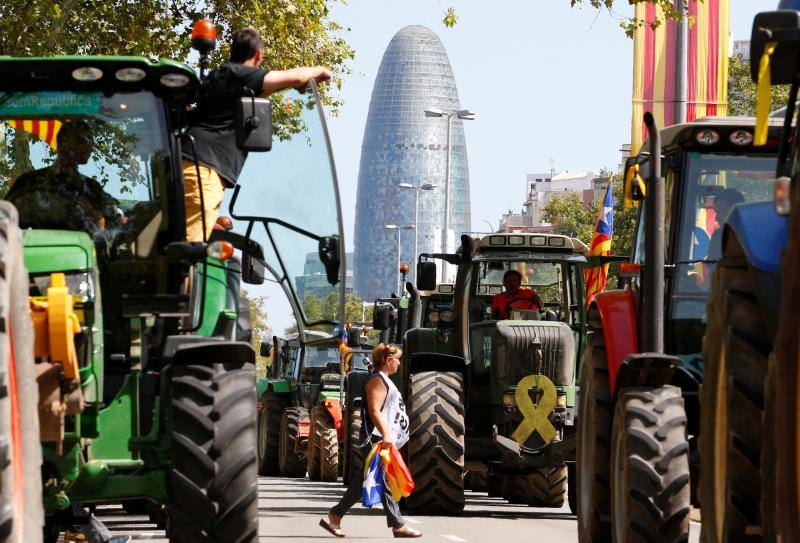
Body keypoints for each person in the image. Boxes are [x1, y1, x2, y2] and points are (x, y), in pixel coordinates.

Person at [183, 27, 333, 242]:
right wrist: (320, 70)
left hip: (189, 166)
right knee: (187, 254)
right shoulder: (241, 76)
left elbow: (264, 89)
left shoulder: (219, 77)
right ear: (259, 55)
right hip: (203, 173)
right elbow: (295, 76)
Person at [320, 343, 422, 539]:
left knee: (364, 481)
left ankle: (335, 514)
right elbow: (374, 411)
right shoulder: (376, 380)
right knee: (382, 479)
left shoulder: (384, 380)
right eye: (397, 359)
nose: (399, 363)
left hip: (381, 437)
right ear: (387, 360)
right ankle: (398, 524)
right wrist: (385, 435)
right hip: (375, 437)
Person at [6, 121, 119, 234]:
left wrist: (95, 215)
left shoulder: (91, 188)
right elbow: (6, 221)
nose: (91, 147)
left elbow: (116, 218)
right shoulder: (30, 182)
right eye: (84, 140)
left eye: (90, 142)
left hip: (84, 250)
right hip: (38, 249)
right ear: (63, 144)